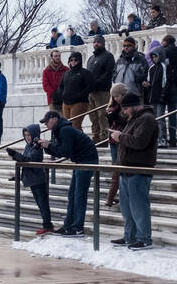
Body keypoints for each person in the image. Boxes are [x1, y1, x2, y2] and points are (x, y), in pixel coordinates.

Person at [107, 90, 157, 249]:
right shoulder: (133, 119)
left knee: (139, 206)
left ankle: (144, 238)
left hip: (139, 169)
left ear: (134, 106)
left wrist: (120, 137)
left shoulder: (147, 119)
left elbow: (139, 142)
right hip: (126, 168)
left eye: (126, 108)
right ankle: (129, 235)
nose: (125, 111)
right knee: (127, 207)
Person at [40, 109, 100, 236]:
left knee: (79, 195)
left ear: (54, 119)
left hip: (87, 161)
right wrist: (47, 147)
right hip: (81, 161)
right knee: (72, 194)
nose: (46, 125)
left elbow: (65, 152)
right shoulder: (59, 130)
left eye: (47, 122)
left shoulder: (64, 130)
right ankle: (68, 225)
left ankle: (77, 227)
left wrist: (49, 146)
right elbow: (61, 151)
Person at [6, 124, 54, 235]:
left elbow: (29, 160)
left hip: (38, 179)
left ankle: (48, 225)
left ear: (35, 135)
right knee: (40, 203)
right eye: (26, 135)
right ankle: (47, 225)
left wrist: (15, 154)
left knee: (43, 203)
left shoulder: (37, 147)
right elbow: (25, 162)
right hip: (32, 179)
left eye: (29, 135)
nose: (27, 137)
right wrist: (18, 176)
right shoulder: (29, 146)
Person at [86, 36, 115, 146]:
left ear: (103, 43)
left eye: (98, 42)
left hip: (102, 91)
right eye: (95, 42)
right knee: (93, 117)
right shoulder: (91, 58)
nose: (96, 44)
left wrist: (96, 83)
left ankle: (104, 139)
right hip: (91, 93)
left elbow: (108, 73)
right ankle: (96, 138)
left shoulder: (108, 56)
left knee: (102, 116)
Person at [56, 51, 93, 132]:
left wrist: (79, 95)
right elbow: (60, 86)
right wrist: (62, 94)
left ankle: (82, 143)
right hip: (66, 102)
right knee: (67, 125)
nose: (73, 62)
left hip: (79, 102)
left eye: (75, 60)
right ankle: (72, 143)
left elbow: (89, 87)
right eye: (71, 60)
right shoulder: (66, 73)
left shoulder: (85, 73)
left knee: (75, 125)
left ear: (79, 61)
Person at [42, 48, 68, 112]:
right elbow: (45, 85)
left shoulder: (66, 69)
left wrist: (62, 92)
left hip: (64, 98)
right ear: (52, 57)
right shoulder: (46, 71)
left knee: (64, 119)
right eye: (55, 56)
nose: (58, 57)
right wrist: (54, 94)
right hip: (52, 99)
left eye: (59, 56)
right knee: (53, 119)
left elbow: (68, 83)